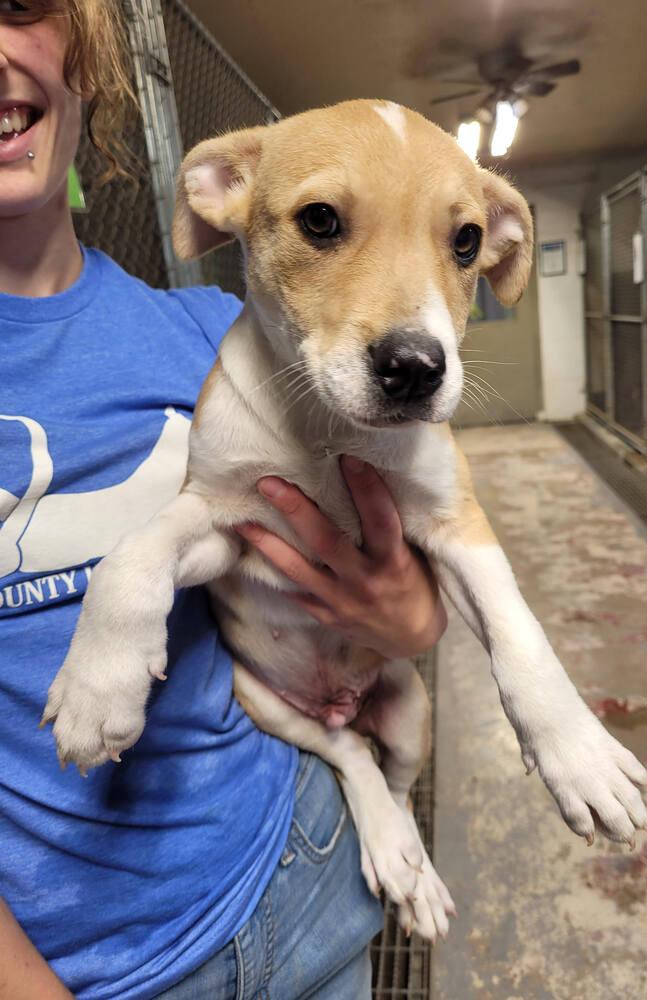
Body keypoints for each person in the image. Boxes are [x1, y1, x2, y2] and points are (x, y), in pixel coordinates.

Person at [0, 2, 447, 997]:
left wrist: (406, 611)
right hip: (93, 972)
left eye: (16, 6)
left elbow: (409, 566)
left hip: (309, 869)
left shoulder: (222, 333)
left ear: (88, 62)